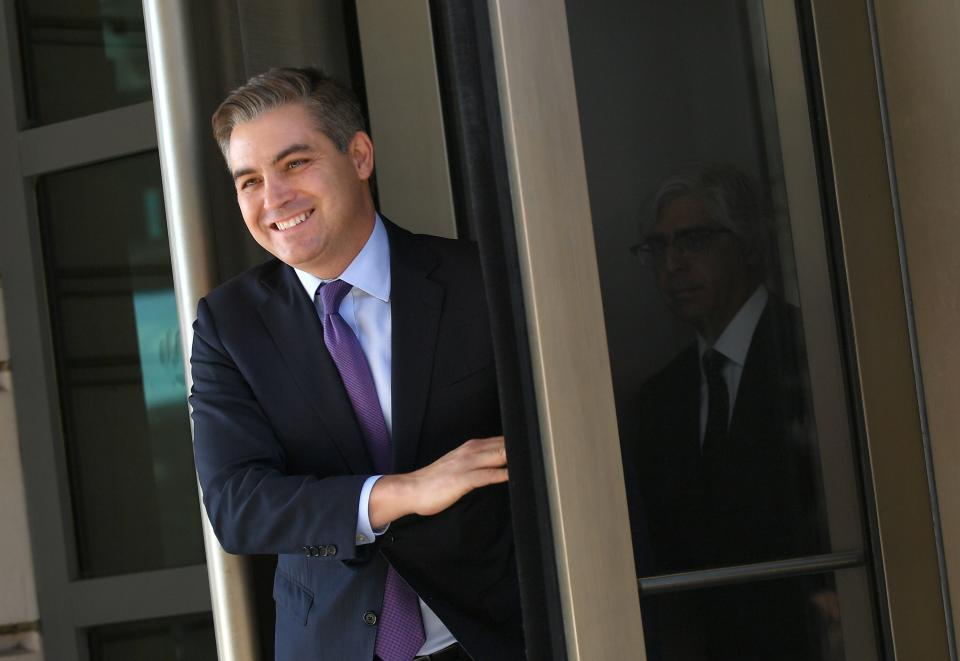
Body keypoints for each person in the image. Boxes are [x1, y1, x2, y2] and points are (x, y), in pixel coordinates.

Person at [190, 67, 524, 661]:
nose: (274, 200)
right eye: (249, 181)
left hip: (495, 636)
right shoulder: (229, 324)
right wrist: (402, 492)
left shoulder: (482, 283)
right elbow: (239, 506)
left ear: (361, 155)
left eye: (295, 164)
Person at [630, 163, 827, 660]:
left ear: (747, 244)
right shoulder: (655, 401)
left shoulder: (818, 356)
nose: (673, 264)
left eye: (693, 240)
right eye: (659, 248)